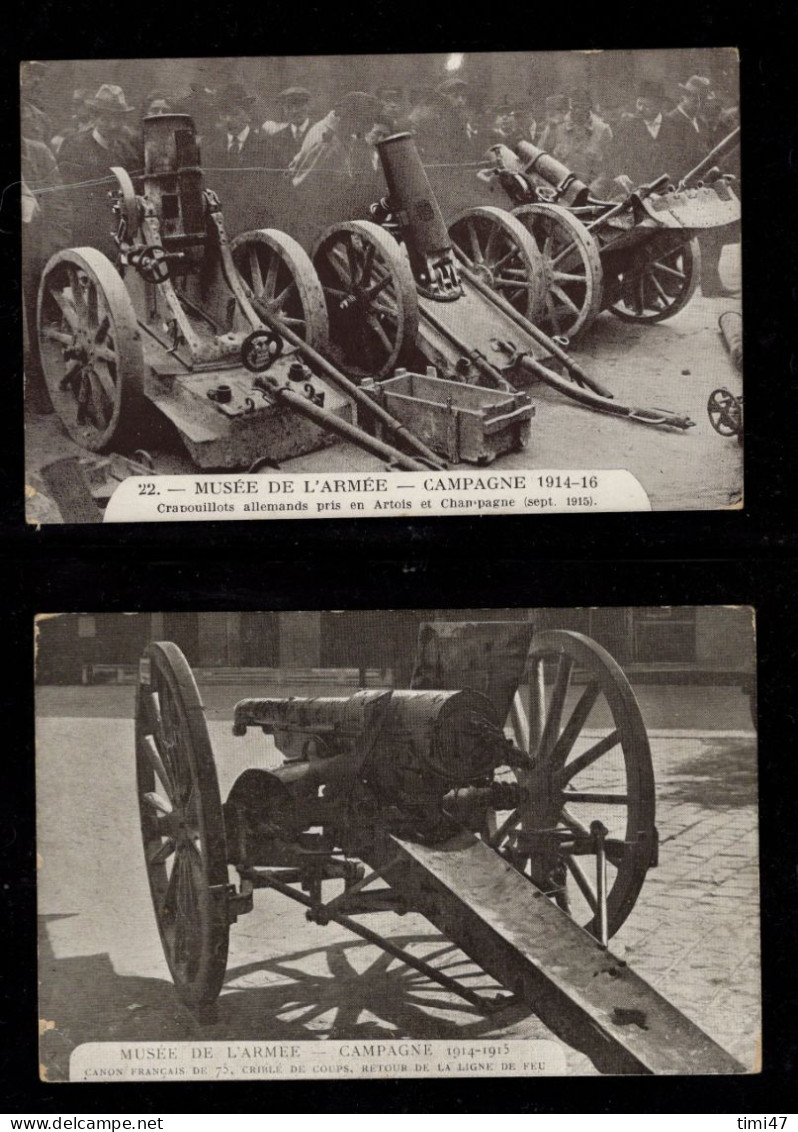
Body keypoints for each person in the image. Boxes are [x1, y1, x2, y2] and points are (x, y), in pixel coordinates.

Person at [21, 130, 72, 410]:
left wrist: (51, 253)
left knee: (41, 323)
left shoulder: (38, 153)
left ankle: (42, 388)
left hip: (35, 255)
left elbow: (61, 206)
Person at [57, 84, 142, 248]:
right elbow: (73, 198)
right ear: (94, 117)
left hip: (125, 232)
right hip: (88, 234)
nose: (113, 125)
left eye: (118, 119)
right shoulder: (75, 146)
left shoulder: (127, 151)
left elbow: (137, 190)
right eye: (107, 118)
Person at [543, 90, 613, 196]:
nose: (576, 111)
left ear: (589, 107)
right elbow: (543, 160)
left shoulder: (603, 130)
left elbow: (608, 169)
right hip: (558, 191)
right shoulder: (556, 127)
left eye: (580, 107)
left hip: (590, 194)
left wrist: (590, 193)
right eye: (573, 107)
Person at [608, 80, 673, 187]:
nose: (641, 109)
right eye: (639, 104)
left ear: (659, 105)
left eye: (647, 106)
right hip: (635, 188)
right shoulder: (626, 126)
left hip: (667, 188)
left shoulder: (673, 126)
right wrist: (620, 174)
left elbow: (681, 160)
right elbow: (614, 155)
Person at [408, 77, 478, 163]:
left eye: (463, 97)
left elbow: (466, 149)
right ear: (442, 98)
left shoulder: (459, 119)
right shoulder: (430, 117)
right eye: (455, 96)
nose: (460, 100)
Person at [261, 87, 313, 169]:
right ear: (283, 110)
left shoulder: (321, 132)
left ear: (308, 106)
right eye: (289, 107)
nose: (294, 111)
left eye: (299, 106)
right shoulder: (275, 139)